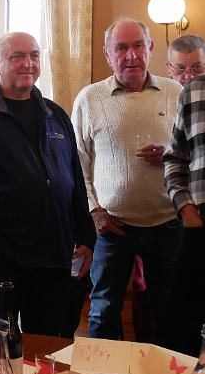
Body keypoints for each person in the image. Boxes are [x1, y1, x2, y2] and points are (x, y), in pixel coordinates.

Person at [0, 32, 95, 336]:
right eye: (17, 57)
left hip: (54, 257)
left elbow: (74, 180)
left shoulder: (55, 115)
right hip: (2, 257)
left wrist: (85, 236)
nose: (28, 63)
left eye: (34, 56)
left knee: (49, 344)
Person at [72, 17, 183, 345]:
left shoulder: (175, 92)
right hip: (112, 228)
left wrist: (171, 154)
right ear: (108, 54)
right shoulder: (90, 98)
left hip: (168, 224)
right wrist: (93, 210)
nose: (131, 55)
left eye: (138, 46)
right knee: (103, 311)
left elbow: (194, 152)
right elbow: (77, 163)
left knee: (169, 312)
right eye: (121, 48)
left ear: (151, 48)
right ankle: (101, 373)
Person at [163, 49, 205, 356]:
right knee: (183, 327)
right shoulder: (194, 91)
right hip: (199, 226)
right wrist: (187, 210)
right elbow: (175, 158)